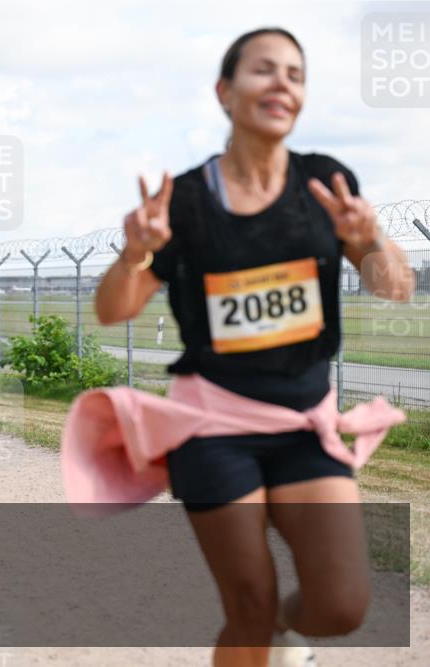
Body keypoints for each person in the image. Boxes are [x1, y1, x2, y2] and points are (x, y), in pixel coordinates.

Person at [93, 28, 415, 667]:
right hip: (213, 425)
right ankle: (263, 635)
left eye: (295, 75)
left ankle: (281, 639)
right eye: (264, 70)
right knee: (249, 606)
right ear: (225, 90)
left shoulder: (325, 183)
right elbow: (113, 310)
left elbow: (395, 288)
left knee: (341, 604)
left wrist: (371, 238)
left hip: (304, 420)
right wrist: (136, 254)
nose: (282, 85)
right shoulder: (183, 201)